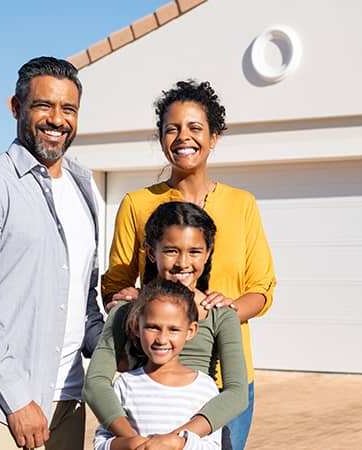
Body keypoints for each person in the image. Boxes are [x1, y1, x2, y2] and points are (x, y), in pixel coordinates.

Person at [85, 80, 275, 450]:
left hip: (224, 375)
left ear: (214, 136)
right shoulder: (137, 204)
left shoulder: (242, 205)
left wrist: (216, 311)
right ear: (160, 138)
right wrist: (133, 304)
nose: (182, 137)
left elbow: (263, 289)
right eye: (171, 129)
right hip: (150, 370)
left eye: (194, 128)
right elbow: (116, 285)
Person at [0, 56, 103, 450]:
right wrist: (17, 400)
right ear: (16, 107)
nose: (57, 119)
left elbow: (86, 303)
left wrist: (124, 355)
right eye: (43, 105)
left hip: (68, 399)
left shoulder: (85, 187)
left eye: (68, 109)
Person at [87, 201, 247, 449]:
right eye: (171, 250)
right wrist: (135, 441)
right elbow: (96, 381)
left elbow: (236, 393)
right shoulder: (126, 309)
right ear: (151, 252)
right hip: (138, 431)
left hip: (198, 439)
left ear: (208, 252)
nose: (183, 262)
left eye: (194, 251)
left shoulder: (221, 315)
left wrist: (176, 440)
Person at [94, 279, 224, 450]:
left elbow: (213, 446)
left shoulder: (205, 387)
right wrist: (131, 444)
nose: (162, 339)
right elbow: (100, 443)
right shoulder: (125, 384)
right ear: (135, 327)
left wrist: (178, 443)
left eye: (173, 329)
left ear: (191, 331)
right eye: (152, 327)